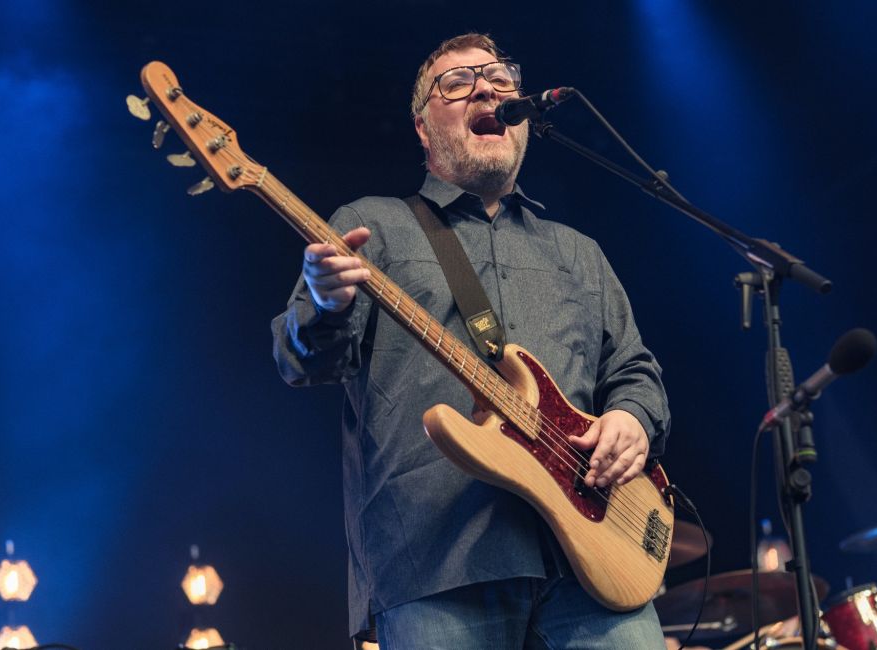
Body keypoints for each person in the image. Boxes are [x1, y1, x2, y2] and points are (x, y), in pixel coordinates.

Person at [272, 33, 671, 649]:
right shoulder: (372, 224)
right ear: (423, 129)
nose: (487, 88)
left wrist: (633, 418)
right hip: (437, 563)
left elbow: (634, 368)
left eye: (501, 79)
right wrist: (325, 303)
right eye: (457, 83)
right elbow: (302, 362)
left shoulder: (577, 253)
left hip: (596, 564)